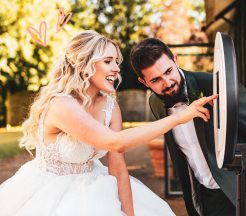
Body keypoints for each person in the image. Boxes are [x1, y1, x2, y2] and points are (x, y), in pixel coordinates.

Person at [0, 30, 218, 216]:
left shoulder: (110, 106)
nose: (116, 68)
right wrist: (179, 117)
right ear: (84, 64)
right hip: (51, 194)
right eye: (107, 61)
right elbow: (115, 142)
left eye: (116, 61)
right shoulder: (61, 105)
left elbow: (118, 168)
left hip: (95, 185)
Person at [130, 37, 246, 216]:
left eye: (169, 71)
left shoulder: (216, 87)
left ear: (175, 60)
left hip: (241, 195)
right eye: (156, 80)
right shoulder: (155, 103)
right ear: (144, 82)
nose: (168, 82)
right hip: (206, 200)